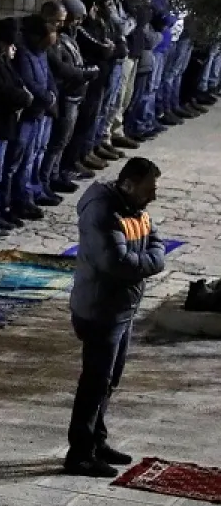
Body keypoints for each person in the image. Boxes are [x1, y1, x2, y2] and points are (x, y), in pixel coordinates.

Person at [64, 157, 166, 477]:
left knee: (110, 380)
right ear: (129, 184)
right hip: (100, 310)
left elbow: (155, 242)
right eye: (149, 188)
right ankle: (79, 454)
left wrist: (148, 258)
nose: (153, 196)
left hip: (122, 308)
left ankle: (97, 440)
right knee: (95, 382)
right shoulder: (102, 211)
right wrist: (152, 261)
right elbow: (117, 263)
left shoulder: (134, 208)